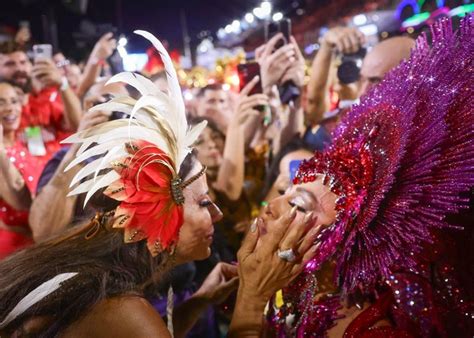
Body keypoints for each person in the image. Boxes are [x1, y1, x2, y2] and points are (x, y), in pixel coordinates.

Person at [0, 31, 318, 337]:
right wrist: (252, 300)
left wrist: (199, 302)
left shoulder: (112, 286)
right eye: (204, 203)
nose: (218, 214)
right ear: (155, 212)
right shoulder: (117, 306)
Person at [265, 16, 473, 336]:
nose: (362, 93)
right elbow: (310, 117)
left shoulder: (456, 174)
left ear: (419, 84)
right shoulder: (353, 135)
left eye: (376, 82)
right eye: (361, 79)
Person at [0, 44, 82, 169]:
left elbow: (78, 127)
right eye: (10, 64)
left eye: (23, 62)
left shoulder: (47, 97)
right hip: (14, 177)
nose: (19, 68)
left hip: (56, 172)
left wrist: (62, 84)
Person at [0, 82, 38, 259]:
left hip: (39, 229)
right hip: (14, 239)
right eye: (1, 103)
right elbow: (20, 201)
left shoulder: (27, 138)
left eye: (14, 101)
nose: (10, 108)